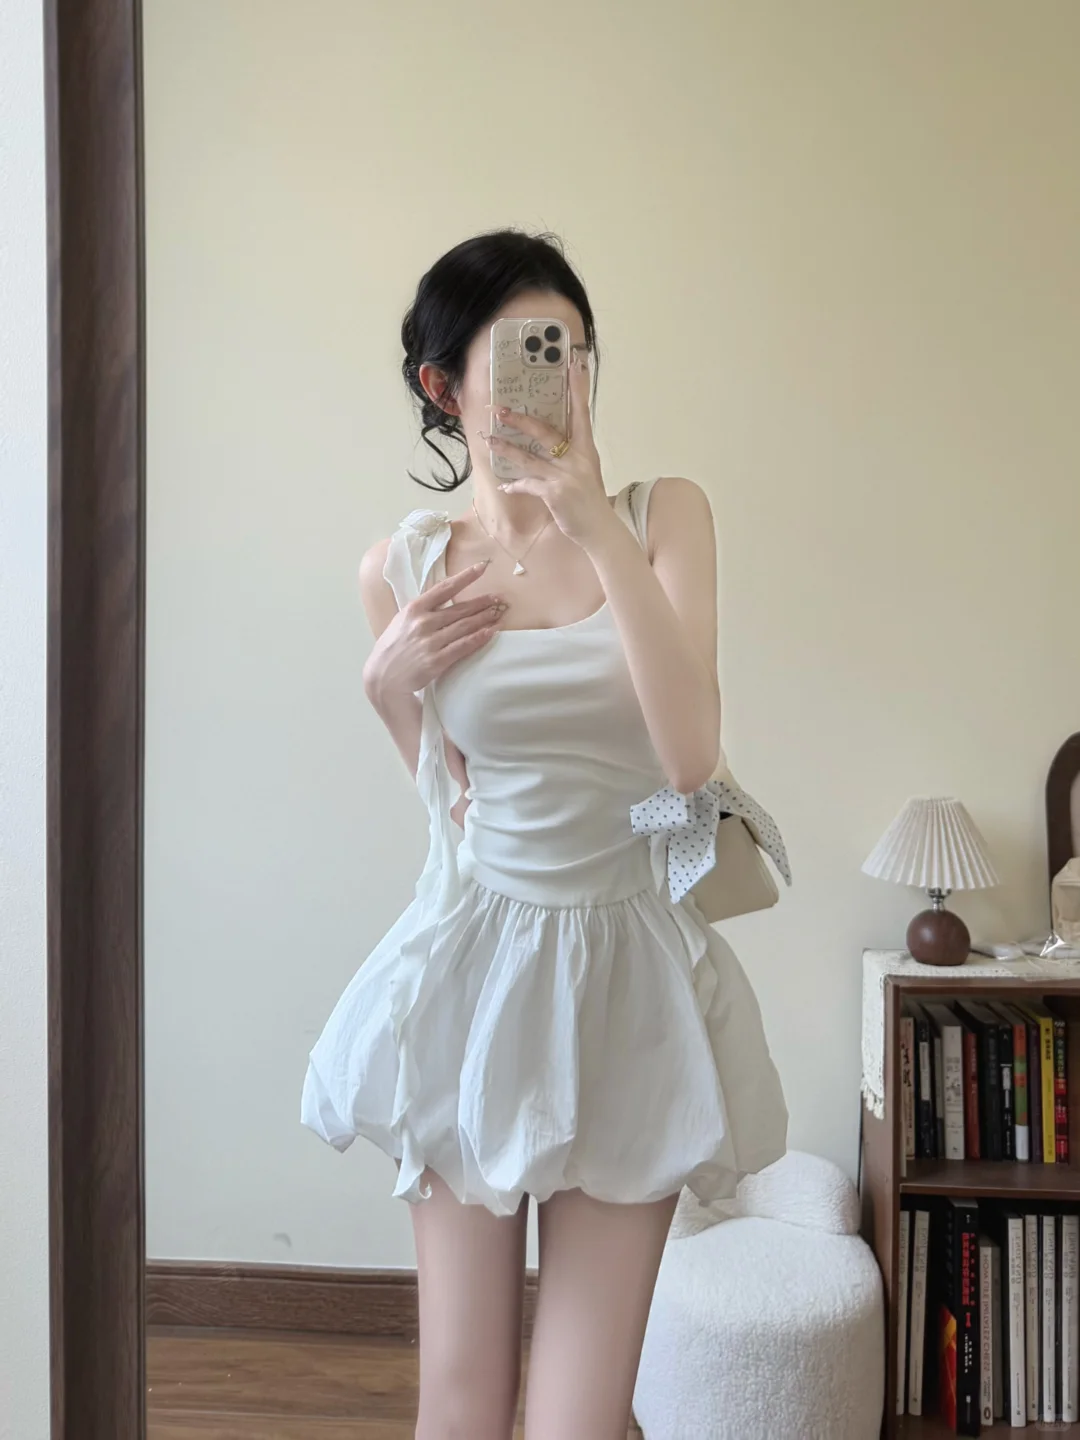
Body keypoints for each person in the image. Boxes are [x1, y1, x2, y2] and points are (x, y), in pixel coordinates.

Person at [302, 230, 788, 1440]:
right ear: (444, 385)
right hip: (473, 978)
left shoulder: (662, 517)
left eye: (569, 352)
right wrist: (386, 691)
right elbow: (454, 810)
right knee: (461, 1404)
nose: (555, 378)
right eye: (524, 352)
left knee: (578, 1417)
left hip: (629, 977)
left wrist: (593, 526)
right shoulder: (406, 566)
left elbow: (688, 758)